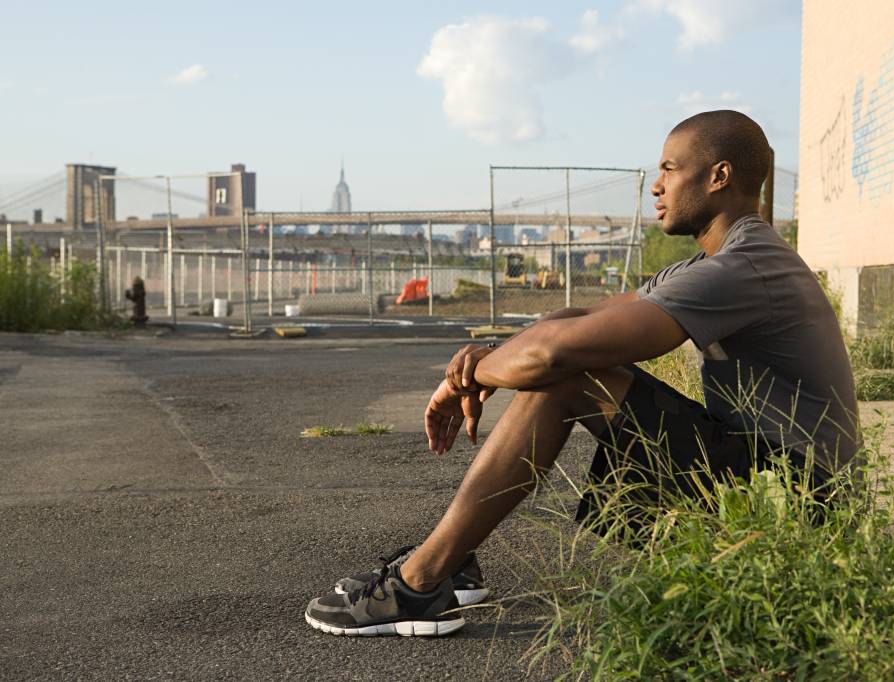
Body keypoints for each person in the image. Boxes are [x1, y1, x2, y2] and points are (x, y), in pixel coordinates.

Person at [304, 110, 859, 637]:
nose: (656, 186)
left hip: (790, 499)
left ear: (719, 177)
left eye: (669, 169)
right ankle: (450, 562)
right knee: (570, 364)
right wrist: (489, 354)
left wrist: (468, 380)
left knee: (567, 378)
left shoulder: (743, 267)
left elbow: (553, 356)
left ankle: (422, 582)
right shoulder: (718, 262)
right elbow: (576, 318)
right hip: (763, 471)